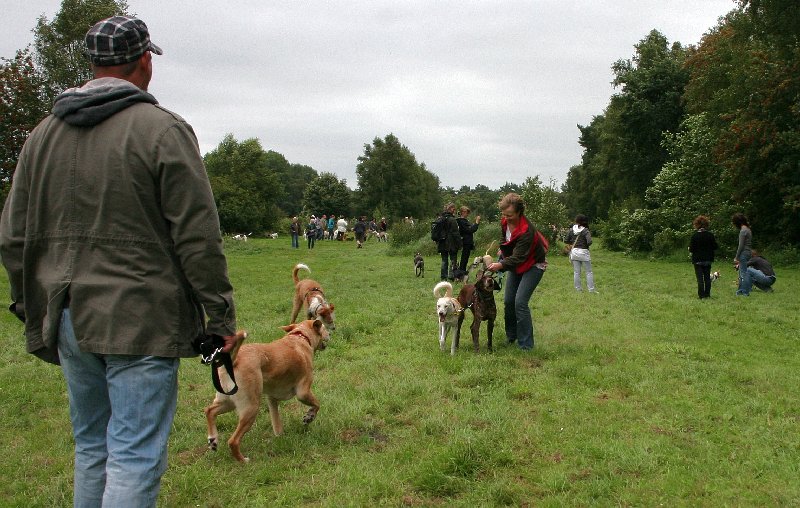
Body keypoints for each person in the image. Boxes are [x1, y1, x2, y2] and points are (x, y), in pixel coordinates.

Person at [0, 16, 237, 507]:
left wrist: (30, 302)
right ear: (145, 61)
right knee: (133, 455)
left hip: (67, 312)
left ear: (92, 64)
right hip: (140, 316)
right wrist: (220, 318)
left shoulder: (41, 136)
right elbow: (198, 237)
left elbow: (13, 235)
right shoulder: (163, 130)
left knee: (92, 448)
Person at [486, 193, 547, 351]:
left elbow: (519, 258)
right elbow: (505, 240)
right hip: (515, 263)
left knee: (520, 302)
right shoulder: (505, 222)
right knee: (508, 301)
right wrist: (503, 250)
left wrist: (500, 265)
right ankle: (511, 336)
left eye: (510, 215)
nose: (506, 218)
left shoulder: (527, 231)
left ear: (519, 212)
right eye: (504, 214)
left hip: (534, 264)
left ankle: (526, 345)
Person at [565, 214, 597, 293]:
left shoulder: (572, 229)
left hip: (574, 252)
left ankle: (578, 290)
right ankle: (591, 290)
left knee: (577, 272)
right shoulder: (585, 230)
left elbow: (566, 240)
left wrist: (573, 243)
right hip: (584, 252)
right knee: (588, 272)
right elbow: (589, 242)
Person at [688, 215, 718, 299]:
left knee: (700, 279)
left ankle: (701, 295)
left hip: (697, 260)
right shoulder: (710, 235)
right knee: (707, 278)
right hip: (708, 259)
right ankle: (707, 294)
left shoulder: (695, 236)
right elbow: (715, 246)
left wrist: (690, 248)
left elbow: (691, 249)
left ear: (696, 224)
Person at [436, 203, 462, 280]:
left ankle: (443, 277)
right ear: (450, 209)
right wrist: (460, 243)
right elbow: (455, 233)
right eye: (454, 209)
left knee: (444, 260)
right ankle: (452, 275)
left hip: (442, 242)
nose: (454, 210)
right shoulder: (452, 219)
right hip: (451, 243)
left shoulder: (440, 219)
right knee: (453, 259)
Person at [732, 212, 753, 296]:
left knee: (743, 273)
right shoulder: (748, 229)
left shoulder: (743, 231)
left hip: (743, 253)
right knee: (742, 272)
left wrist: (736, 257)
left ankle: (745, 292)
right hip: (748, 252)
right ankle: (740, 290)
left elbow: (741, 245)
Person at [456, 205, 481, 275]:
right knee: (464, 256)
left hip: (468, 241)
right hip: (465, 241)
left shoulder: (465, 221)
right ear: (462, 212)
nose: (467, 214)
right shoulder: (461, 221)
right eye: (467, 212)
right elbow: (470, 230)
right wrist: (476, 222)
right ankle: (462, 270)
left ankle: (463, 270)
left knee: (466, 256)